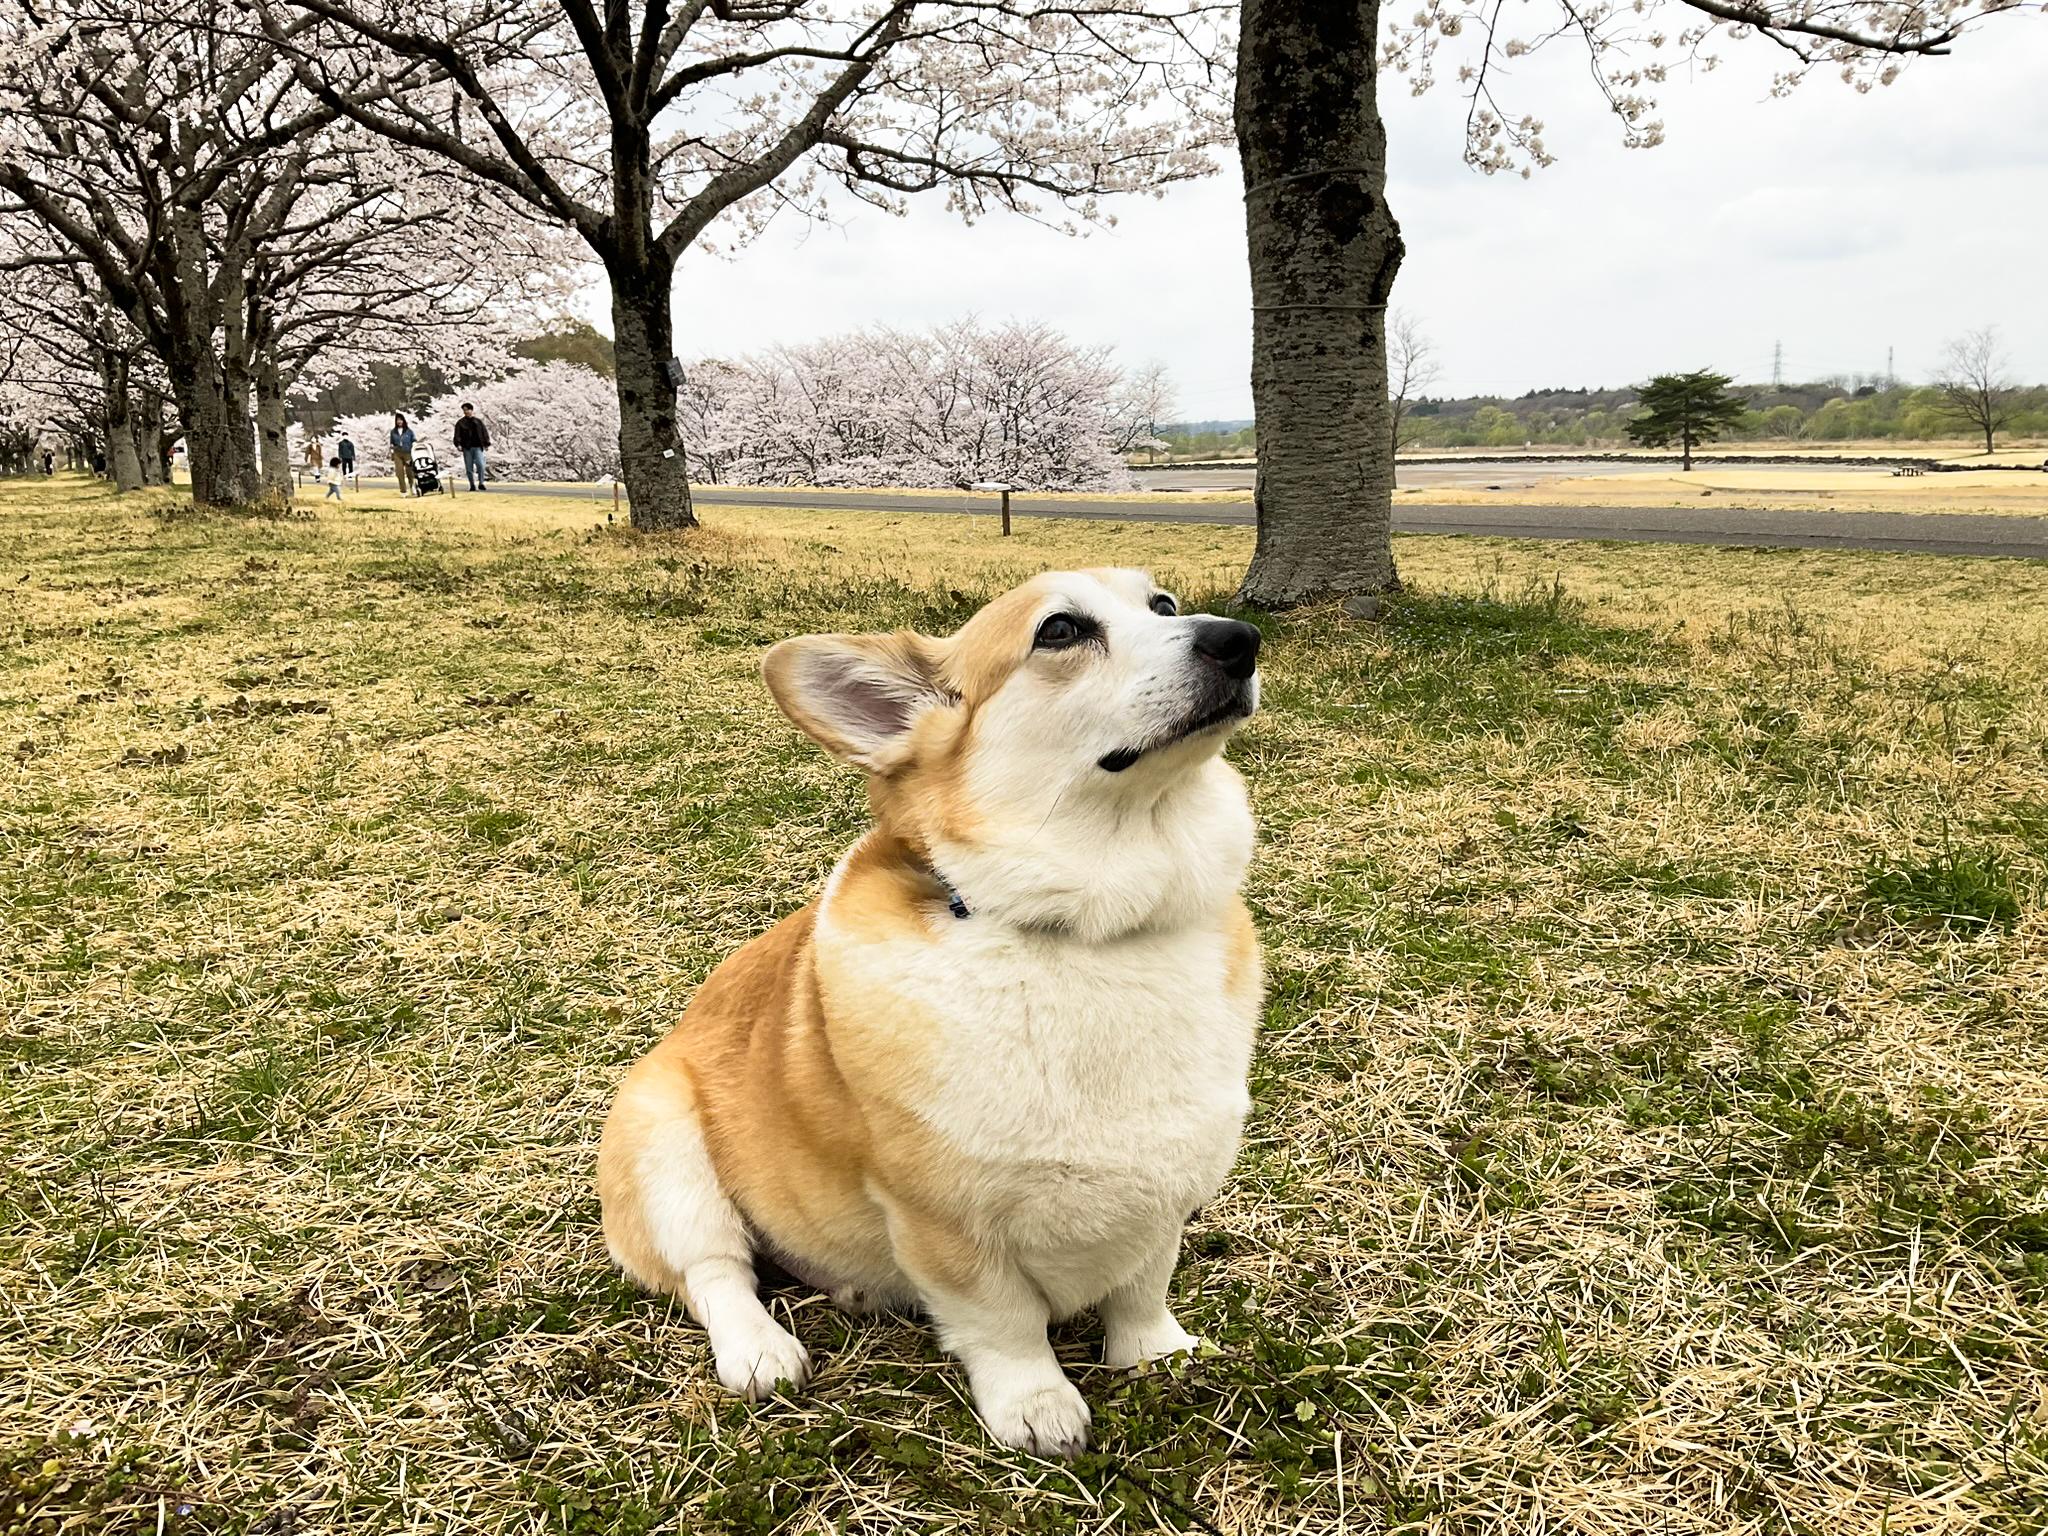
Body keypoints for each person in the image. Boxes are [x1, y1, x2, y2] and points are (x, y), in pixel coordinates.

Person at [453, 402, 491, 492]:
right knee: (469, 468)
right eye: (464, 410)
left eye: (467, 410)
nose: (466, 412)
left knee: (480, 465)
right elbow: (457, 434)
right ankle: (472, 484)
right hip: (467, 448)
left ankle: (481, 483)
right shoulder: (460, 423)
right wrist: (458, 444)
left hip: (478, 446)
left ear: (471, 410)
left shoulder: (478, 422)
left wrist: (486, 443)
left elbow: (484, 432)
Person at [389, 413, 417, 496]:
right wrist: (392, 452)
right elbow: (391, 443)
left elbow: (414, 440)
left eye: (400, 420)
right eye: (397, 420)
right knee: (399, 472)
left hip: (407, 453)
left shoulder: (409, 431)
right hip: (397, 453)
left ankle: (413, 486)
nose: (399, 422)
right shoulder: (393, 432)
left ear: (403, 421)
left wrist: (414, 446)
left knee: (409, 472)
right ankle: (403, 490)